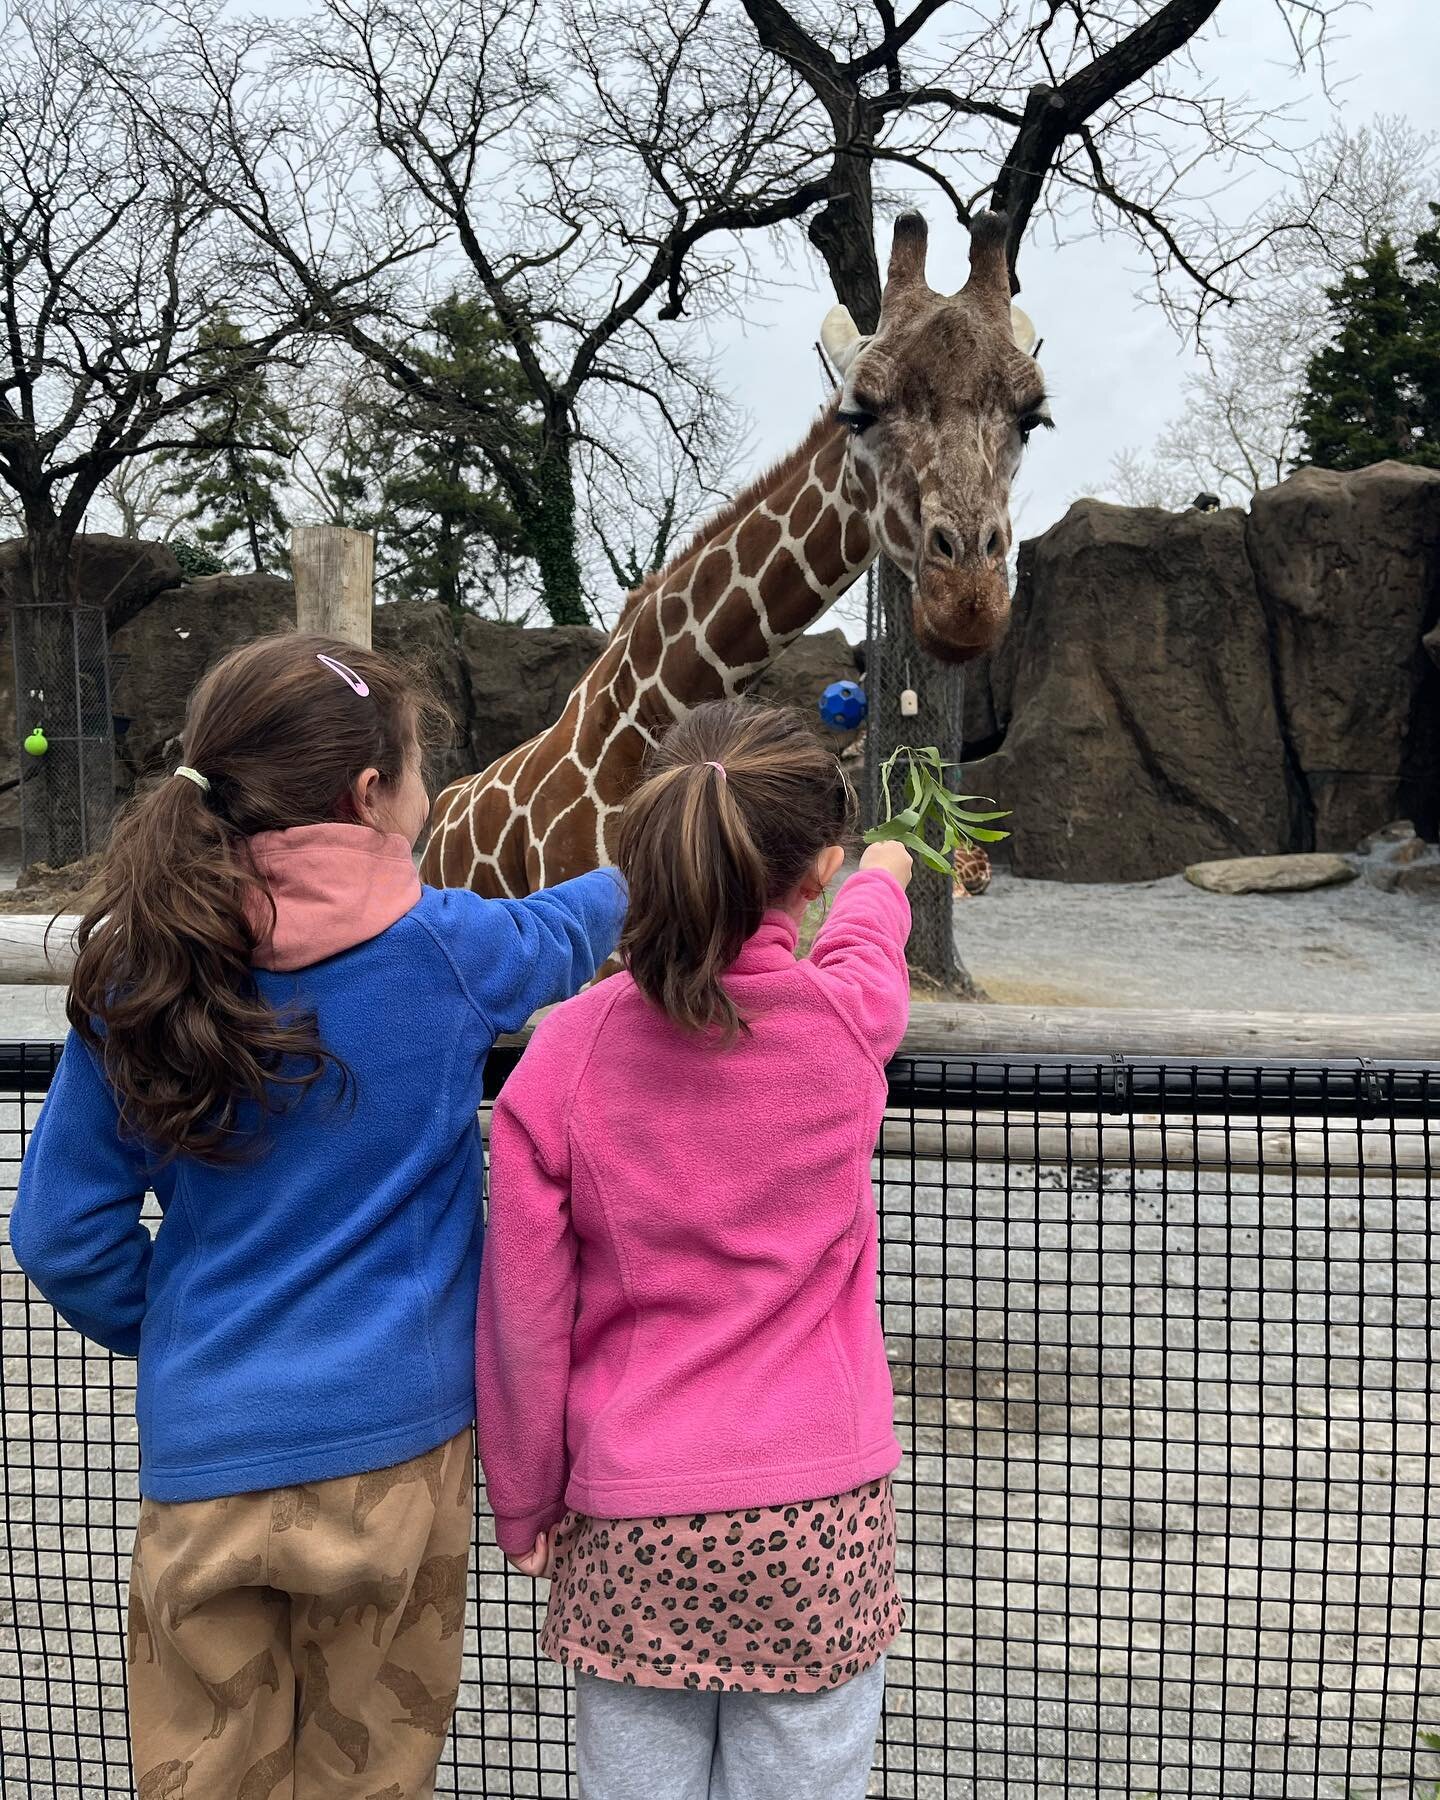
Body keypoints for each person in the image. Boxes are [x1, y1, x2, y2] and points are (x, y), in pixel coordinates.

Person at [11, 632, 627, 1800]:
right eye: (418, 768)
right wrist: (645, 863)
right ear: (368, 797)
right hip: (396, 1462)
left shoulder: (138, 967)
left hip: (205, 1463)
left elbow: (55, 1233)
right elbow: (567, 929)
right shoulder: (446, 949)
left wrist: (188, 1331)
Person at [476, 699, 914, 1800]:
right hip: (816, 1525)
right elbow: (867, 958)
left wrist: (524, 1498)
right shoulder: (843, 1022)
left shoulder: (567, 1052)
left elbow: (524, 1315)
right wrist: (882, 881)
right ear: (810, 872)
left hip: (632, 1526)